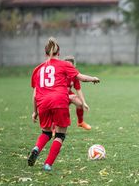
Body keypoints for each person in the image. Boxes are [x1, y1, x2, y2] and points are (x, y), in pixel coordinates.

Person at [29, 37, 100, 171]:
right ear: (59, 53)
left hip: (42, 103)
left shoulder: (38, 70)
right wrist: (93, 79)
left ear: (45, 53)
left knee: (46, 132)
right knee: (60, 135)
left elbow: (34, 94)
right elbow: (81, 78)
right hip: (59, 101)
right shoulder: (64, 65)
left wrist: (35, 111)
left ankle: (36, 148)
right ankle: (47, 164)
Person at [63, 55, 92, 130]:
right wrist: (67, 97)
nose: (68, 66)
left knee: (79, 104)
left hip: (68, 94)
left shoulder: (74, 75)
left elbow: (78, 89)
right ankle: (53, 129)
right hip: (59, 95)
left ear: (73, 66)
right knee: (60, 111)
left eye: (70, 65)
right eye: (66, 64)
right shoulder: (60, 74)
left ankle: (80, 122)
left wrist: (84, 102)